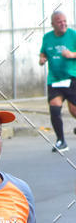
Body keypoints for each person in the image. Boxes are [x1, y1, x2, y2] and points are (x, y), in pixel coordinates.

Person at [39, 10, 76, 153]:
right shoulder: (47, 37)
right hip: (54, 79)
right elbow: (43, 52)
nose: (63, 24)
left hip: (71, 78)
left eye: (65, 21)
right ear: (53, 24)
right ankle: (61, 141)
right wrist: (42, 59)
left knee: (74, 110)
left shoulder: (73, 35)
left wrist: (72, 54)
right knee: (54, 107)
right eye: (60, 21)